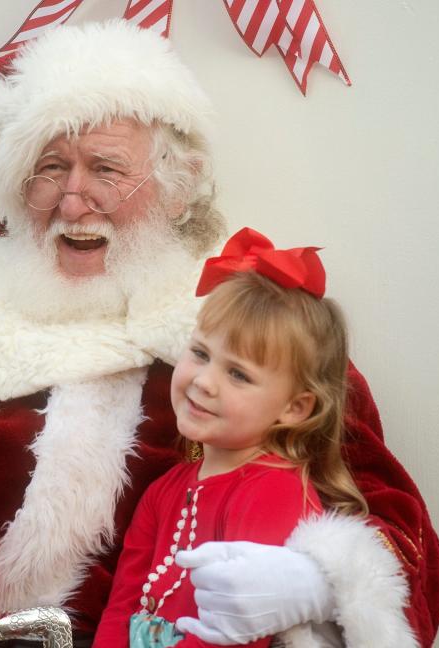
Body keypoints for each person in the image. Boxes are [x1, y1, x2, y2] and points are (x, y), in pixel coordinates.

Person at [0, 20, 439, 648]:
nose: (75, 199)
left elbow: (397, 524)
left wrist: (317, 580)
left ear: (174, 184)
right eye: (50, 169)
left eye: (106, 169)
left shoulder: (250, 333)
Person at [95, 228, 371, 648]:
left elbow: (237, 631)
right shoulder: (164, 491)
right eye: (201, 354)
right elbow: (123, 605)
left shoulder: (273, 491)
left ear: (294, 408)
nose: (204, 382)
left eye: (238, 374)